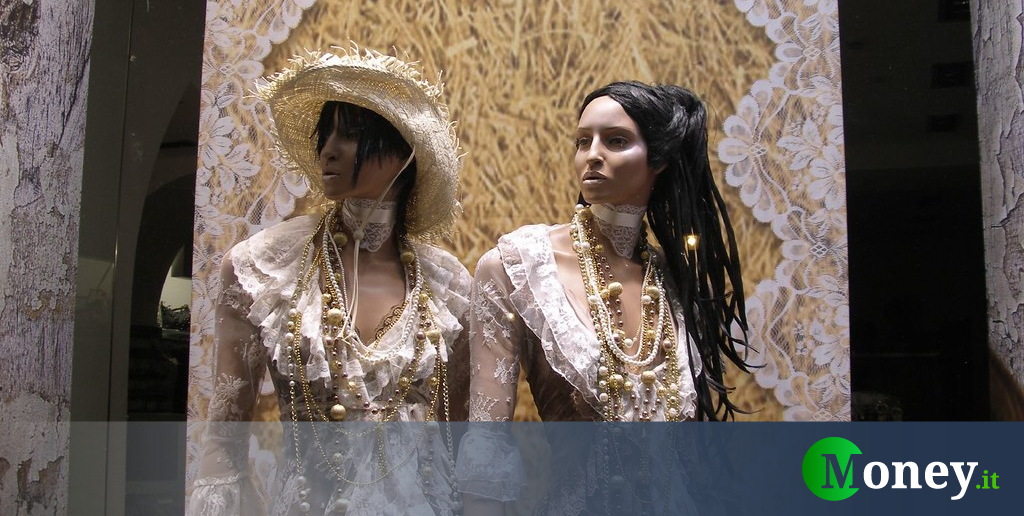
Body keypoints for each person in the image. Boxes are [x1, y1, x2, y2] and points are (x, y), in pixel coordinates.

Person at [188, 47, 471, 516]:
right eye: (326, 134)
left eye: (352, 134)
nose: (328, 150)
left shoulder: (449, 286)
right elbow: (224, 441)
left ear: (404, 152)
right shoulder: (263, 269)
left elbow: (457, 436)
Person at [456, 81, 752, 515]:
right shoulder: (518, 267)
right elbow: (486, 443)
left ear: (659, 159)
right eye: (582, 141)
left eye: (615, 141)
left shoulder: (676, 283)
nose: (592, 154)